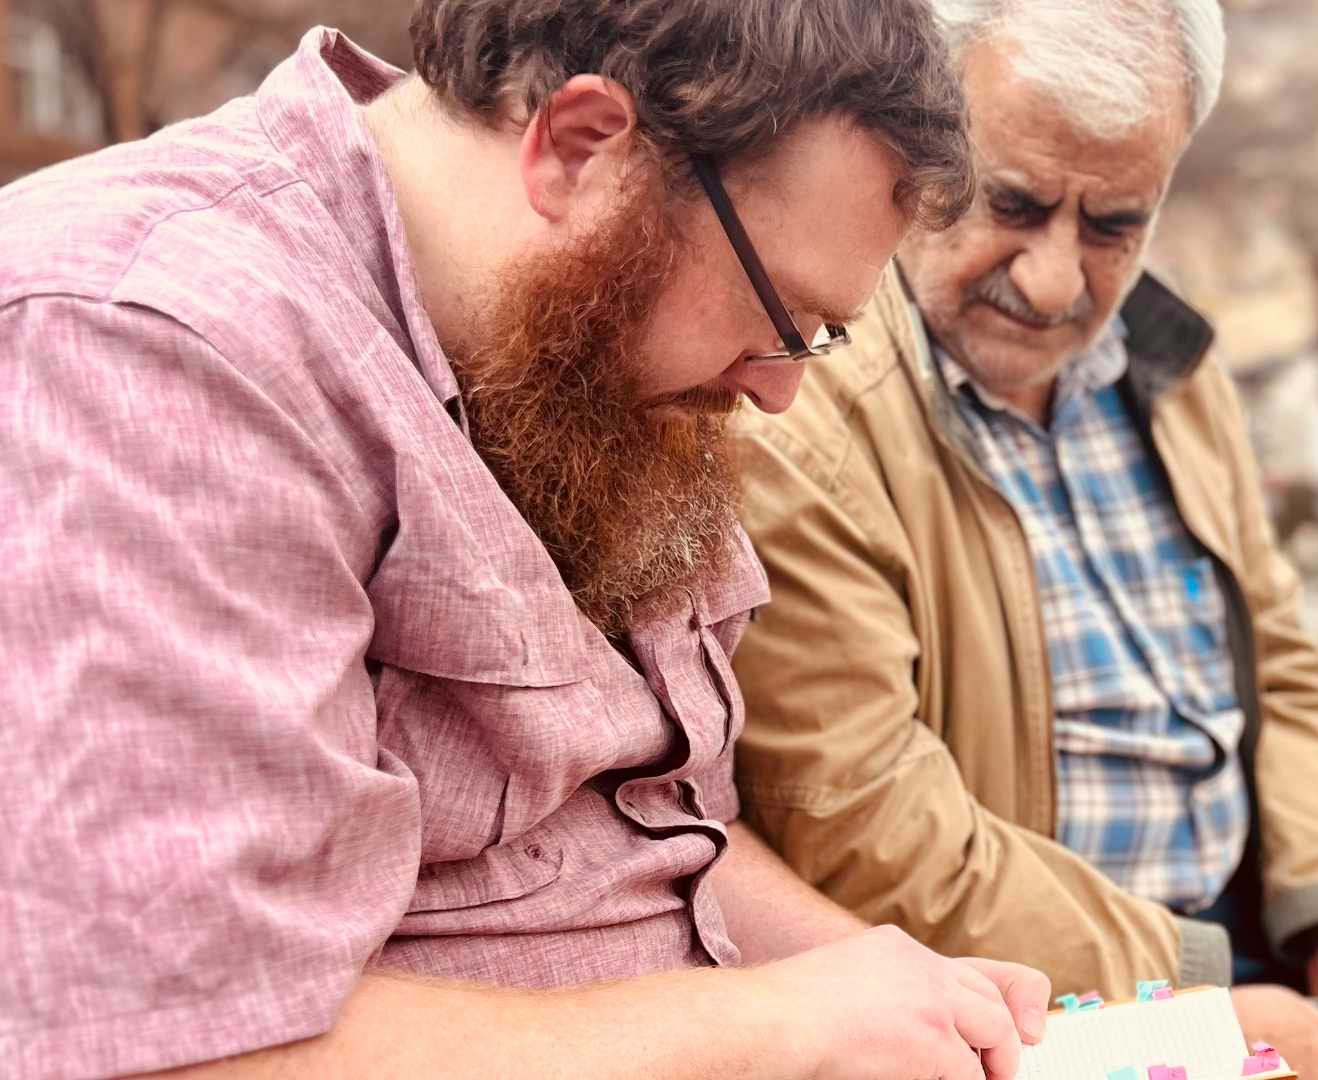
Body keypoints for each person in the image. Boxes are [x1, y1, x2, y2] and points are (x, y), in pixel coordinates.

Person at [0, 3, 1052, 1077]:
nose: (780, 392)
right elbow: (167, 1048)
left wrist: (905, 995)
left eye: (820, 335)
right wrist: (786, 1025)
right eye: (778, 312)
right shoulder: (146, 344)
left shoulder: (559, 369)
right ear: (584, 146)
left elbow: (637, 836)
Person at [727, 2, 1318, 1078]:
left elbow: (1282, 667)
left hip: (1241, 950)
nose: (1050, 282)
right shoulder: (798, 414)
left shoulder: (1176, 371)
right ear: (920, 140)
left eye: (1112, 225)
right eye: (1012, 202)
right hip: (1030, 1006)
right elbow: (867, 829)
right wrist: (1201, 995)